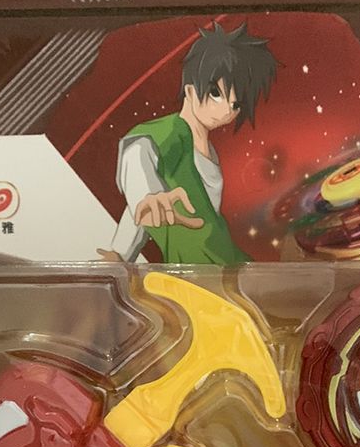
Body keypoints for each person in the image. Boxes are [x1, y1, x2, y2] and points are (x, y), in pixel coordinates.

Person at [98, 22, 279, 265]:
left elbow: (143, 211)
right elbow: (140, 151)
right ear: (191, 90)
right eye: (216, 93)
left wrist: (122, 251)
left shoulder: (207, 148)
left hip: (225, 263)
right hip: (194, 270)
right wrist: (146, 195)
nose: (226, 110)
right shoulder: (173, 132)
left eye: (236, 104)